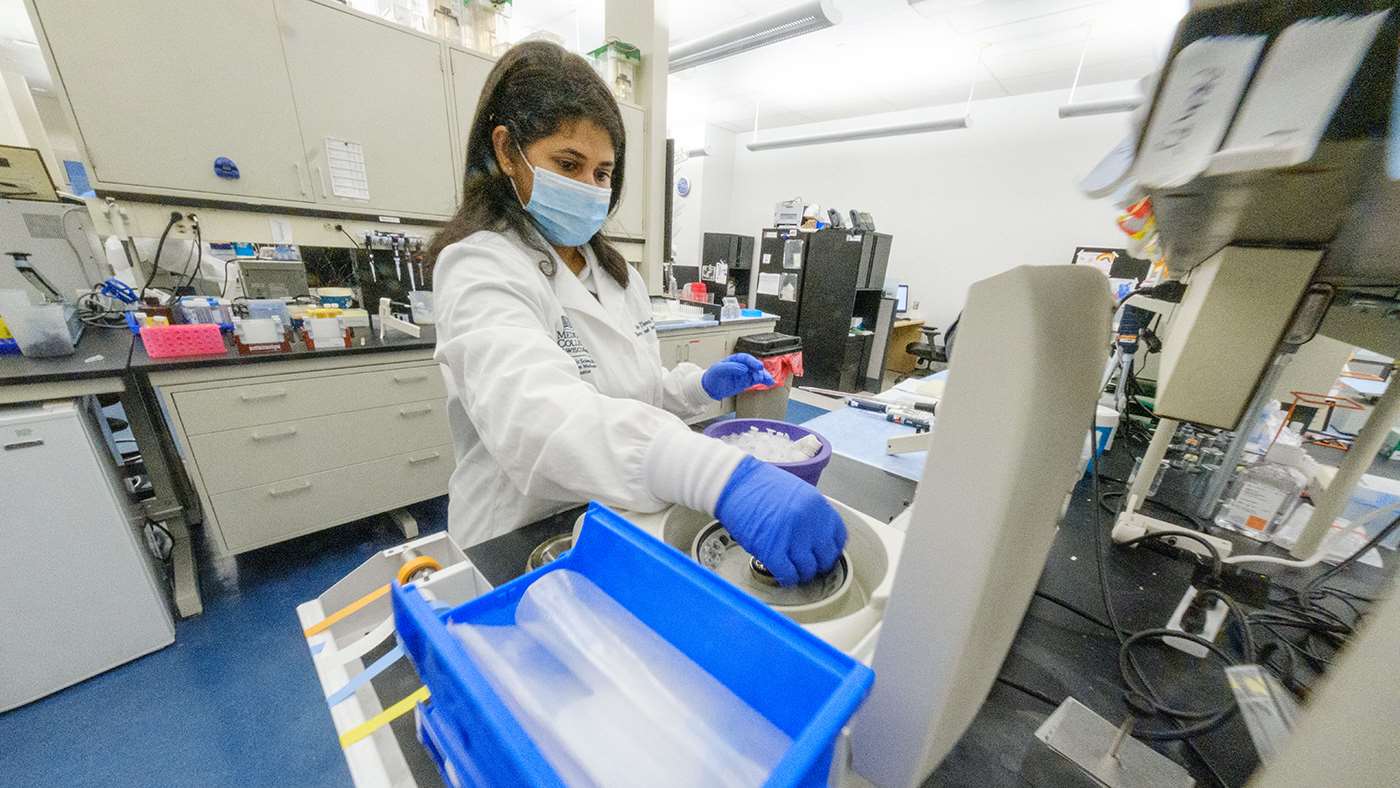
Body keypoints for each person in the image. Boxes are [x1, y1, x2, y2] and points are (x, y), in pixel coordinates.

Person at [428, 42, 845, 587]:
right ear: (507, 151)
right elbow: (541, 423)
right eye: (568, 164)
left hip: (617, 519)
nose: (590, 188)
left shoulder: (616, 275)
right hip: (517, 537)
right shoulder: (479, 266)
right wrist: (721, 477)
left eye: (603, 173)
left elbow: (633, 392)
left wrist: (699, 387)